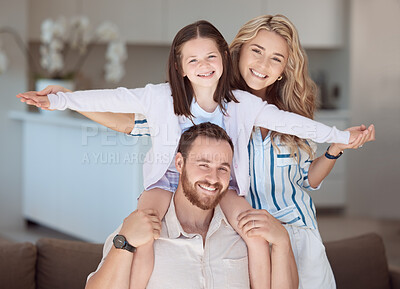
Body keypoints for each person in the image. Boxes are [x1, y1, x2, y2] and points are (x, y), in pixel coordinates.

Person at [17, 20, 367, 289]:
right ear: (180, 66)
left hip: (223, 187)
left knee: (255, 235)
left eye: (211, 57)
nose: (203, 65)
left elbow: (290, 122)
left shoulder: (242, 106)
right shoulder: (161, 98)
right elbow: (118, 102)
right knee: (145, 234)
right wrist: (63, 99)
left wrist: (338, 136)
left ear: (223, 59)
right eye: (193, 59)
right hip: (164, 183)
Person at [226, 14, 375, 289]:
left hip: (298, 235)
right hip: (243, 238)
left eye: (276, 58)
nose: (263, 65)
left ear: (283, 69)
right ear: (239, 53)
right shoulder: (218, 112)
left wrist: (336, 148)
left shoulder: (293, 116)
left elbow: (308, 180)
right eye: (256, 51)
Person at [85, 122, 299, 289]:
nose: (212, 178)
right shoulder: (140, 231)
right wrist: (124, 243)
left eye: (222, 168)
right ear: (180, 163)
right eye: (203, 165)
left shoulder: (243, 233)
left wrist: (282, 240)